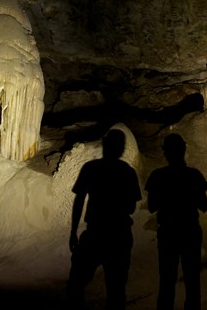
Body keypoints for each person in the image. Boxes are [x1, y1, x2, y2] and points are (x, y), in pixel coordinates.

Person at [67, 128, 142, 310]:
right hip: (119, 234)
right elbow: (132, 207)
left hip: (95, 232)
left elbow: (79, 200)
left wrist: (73, 231)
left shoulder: (91, 168)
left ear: (105, 145)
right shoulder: (128, 172)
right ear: (122, 149)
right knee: (116, 289)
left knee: (76, 281)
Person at [144, 133, 207, 310]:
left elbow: (151, 207)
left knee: (166, 281)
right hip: (190, 232)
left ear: (165, 153)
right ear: (183, 150)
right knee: (192, 281)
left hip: (168, 233)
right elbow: (204, 206)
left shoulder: (157, 176)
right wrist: (189, 194)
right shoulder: (194, 175)